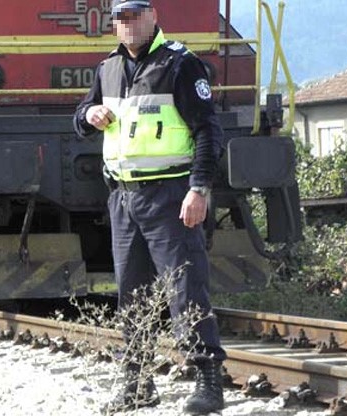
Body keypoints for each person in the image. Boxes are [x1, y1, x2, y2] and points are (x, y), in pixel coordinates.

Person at [72, 0, 226, 414]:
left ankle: (209, 383)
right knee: (133, 295)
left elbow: (208, 132)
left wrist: (199, 189)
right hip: (123, 198)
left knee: (185, 288)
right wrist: (90, 114)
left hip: (170, 196)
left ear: (153, 17)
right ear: (115, 24)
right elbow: (79, 118)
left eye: (136, 15)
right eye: (121, 18)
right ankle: (138, 385)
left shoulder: (180, 64)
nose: (129, 24)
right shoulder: (106, 69)